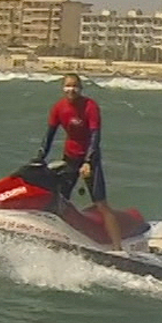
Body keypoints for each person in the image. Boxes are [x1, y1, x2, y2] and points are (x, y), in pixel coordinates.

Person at [34, 74, 123, 249]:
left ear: (80, 88)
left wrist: (88, 162)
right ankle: (58, 238)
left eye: (75, 86)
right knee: (60, 200)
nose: (71, 89)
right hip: (70, 158)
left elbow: (95, 136)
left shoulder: (90, 106)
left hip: (90, 159)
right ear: (62, 87)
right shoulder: (59, 108)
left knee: (101, 203)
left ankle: (118, 248)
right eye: (67, 86)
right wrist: (39, 157)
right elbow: (49, 136)